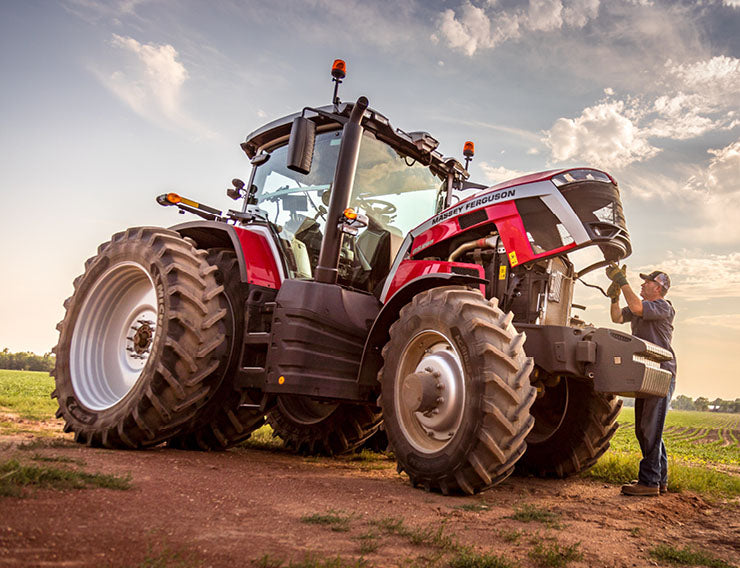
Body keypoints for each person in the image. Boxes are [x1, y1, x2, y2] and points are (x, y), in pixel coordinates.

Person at [605, 265, 676, 497]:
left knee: (649, 428)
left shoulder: (662, 306)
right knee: (647, 428)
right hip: (645, 370)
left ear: (658, 288)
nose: (642, 284)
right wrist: (615, 296)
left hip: (661, 371)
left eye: (647, 282)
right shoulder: (642, 308)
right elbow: (617, 317)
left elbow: (636, 306)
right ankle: (659, 479)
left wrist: (621, 280)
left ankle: (649, 482)